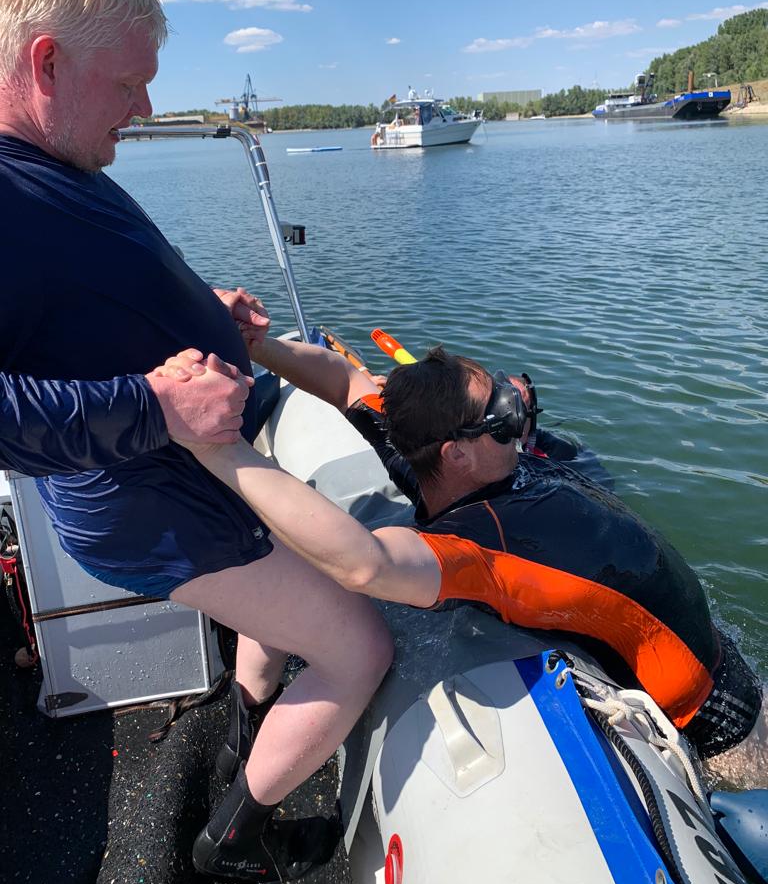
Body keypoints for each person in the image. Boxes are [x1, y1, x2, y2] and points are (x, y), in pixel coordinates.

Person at [0, 0, 392, 884]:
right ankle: (235, 837)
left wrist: (202, 314)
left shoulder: (50, 162)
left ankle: (245, 734)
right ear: (46, 65)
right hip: (144, 496)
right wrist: (157, 407)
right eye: (128, 83)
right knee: (358, 645)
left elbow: (79, 303)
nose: (144, 106)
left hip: (186, 463)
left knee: (281, 602)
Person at [159, 337, 767, 789]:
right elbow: (364, 558)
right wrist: (217, 442)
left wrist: (253, 351)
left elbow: (345, 385)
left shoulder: (470, 489)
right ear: (454, 454)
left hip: (716, 716)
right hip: (699, 662)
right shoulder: (483, 529)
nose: (520, 427)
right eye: (502, 422)